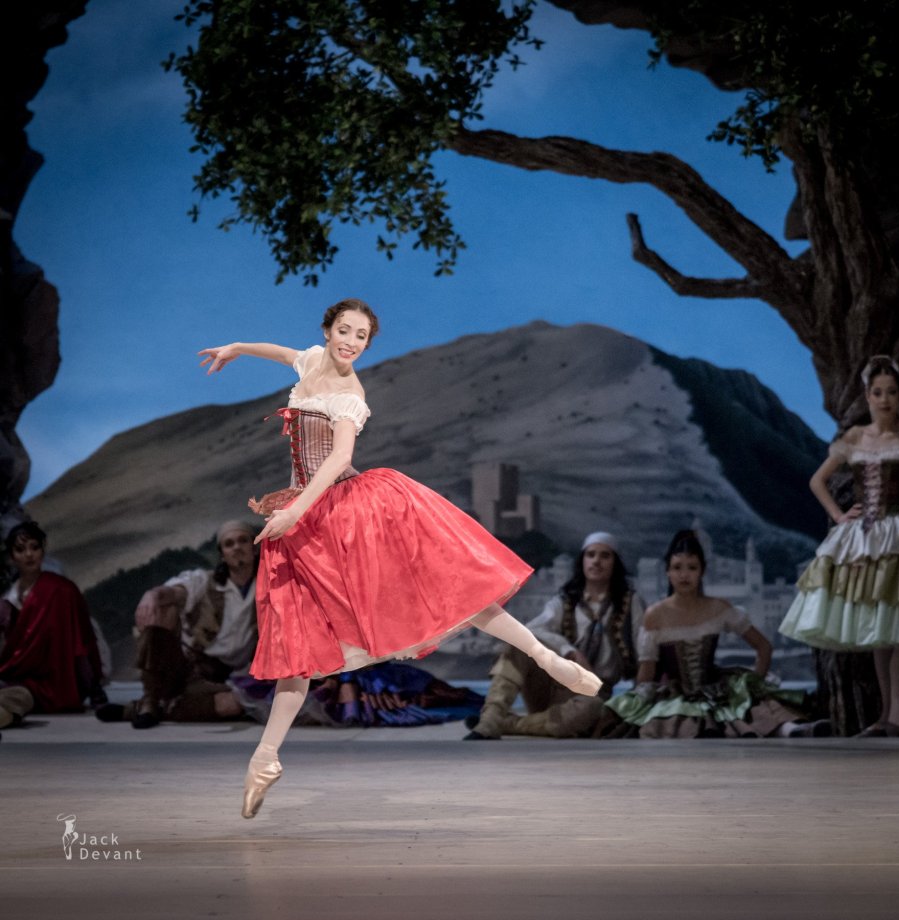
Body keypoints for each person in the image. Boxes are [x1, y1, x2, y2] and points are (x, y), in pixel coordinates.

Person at [198, 297, 602, 818]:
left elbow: (340, 458)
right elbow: (282, 352)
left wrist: (296, 509)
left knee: (445, 592)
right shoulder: (311, 361)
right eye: (345, 331)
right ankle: (265, 757)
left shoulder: (349, 394)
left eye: (361, 336)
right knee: (296, 642)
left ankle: (545, 657)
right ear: (327, 330)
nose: (351, 342)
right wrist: (237, 347)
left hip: (349, 513)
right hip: (308, 520)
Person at [779, 355, 899, 738]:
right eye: (878, 393)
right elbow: (817, 481)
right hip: (865, 538)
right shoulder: (856, 438)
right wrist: (840, 516)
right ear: (868, 396)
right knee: (880, 622)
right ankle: (887, 714)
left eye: (891, 392)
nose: (885, 400)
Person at [600, 530, 815, 739]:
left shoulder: (718, 608)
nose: (684, 574)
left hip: (717, 690)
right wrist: (638, 700)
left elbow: (764, 647)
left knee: (749, 708)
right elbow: (647, 670)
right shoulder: (655, 614)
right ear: (667, 572)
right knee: (669, 722)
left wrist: (754, 685)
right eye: (677, 567)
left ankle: (789, 729)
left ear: (702, 571)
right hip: (674, 695)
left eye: (692, 567)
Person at [465, 531, 644, 739]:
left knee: (591, 709)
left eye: (605, 556)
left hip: (593, 694)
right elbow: (534, 629)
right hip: (551, 686)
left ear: (615, 563)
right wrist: (569, 651)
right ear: (582, 561)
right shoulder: (566, 601)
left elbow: (643, 651)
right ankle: (491, 717)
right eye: (591, 555)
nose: (596, 561)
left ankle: (507, 724)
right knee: (519, 644)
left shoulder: (630, 604)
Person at [96, 520, 262, 729]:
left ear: (254, 548)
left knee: (231, 705)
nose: (236, 547)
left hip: (231, 676)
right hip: (191, 669)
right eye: (229, 544)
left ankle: (141, 708)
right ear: (222, 554)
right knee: (165, 608)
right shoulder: (204, 581)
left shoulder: (271, 587)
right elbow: (174, 592)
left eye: (243, 541)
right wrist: (152, 596)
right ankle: (150, 698)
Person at [0, 522, 105, 714]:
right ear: (11, 557)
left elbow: (81, 642)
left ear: (42, 550)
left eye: (34, 547)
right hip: (18, 680)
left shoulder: (62, 591)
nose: (29, 554)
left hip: (59, 684)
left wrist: (93, 688)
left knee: (18, 697)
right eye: (20, 549)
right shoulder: (7, 601)